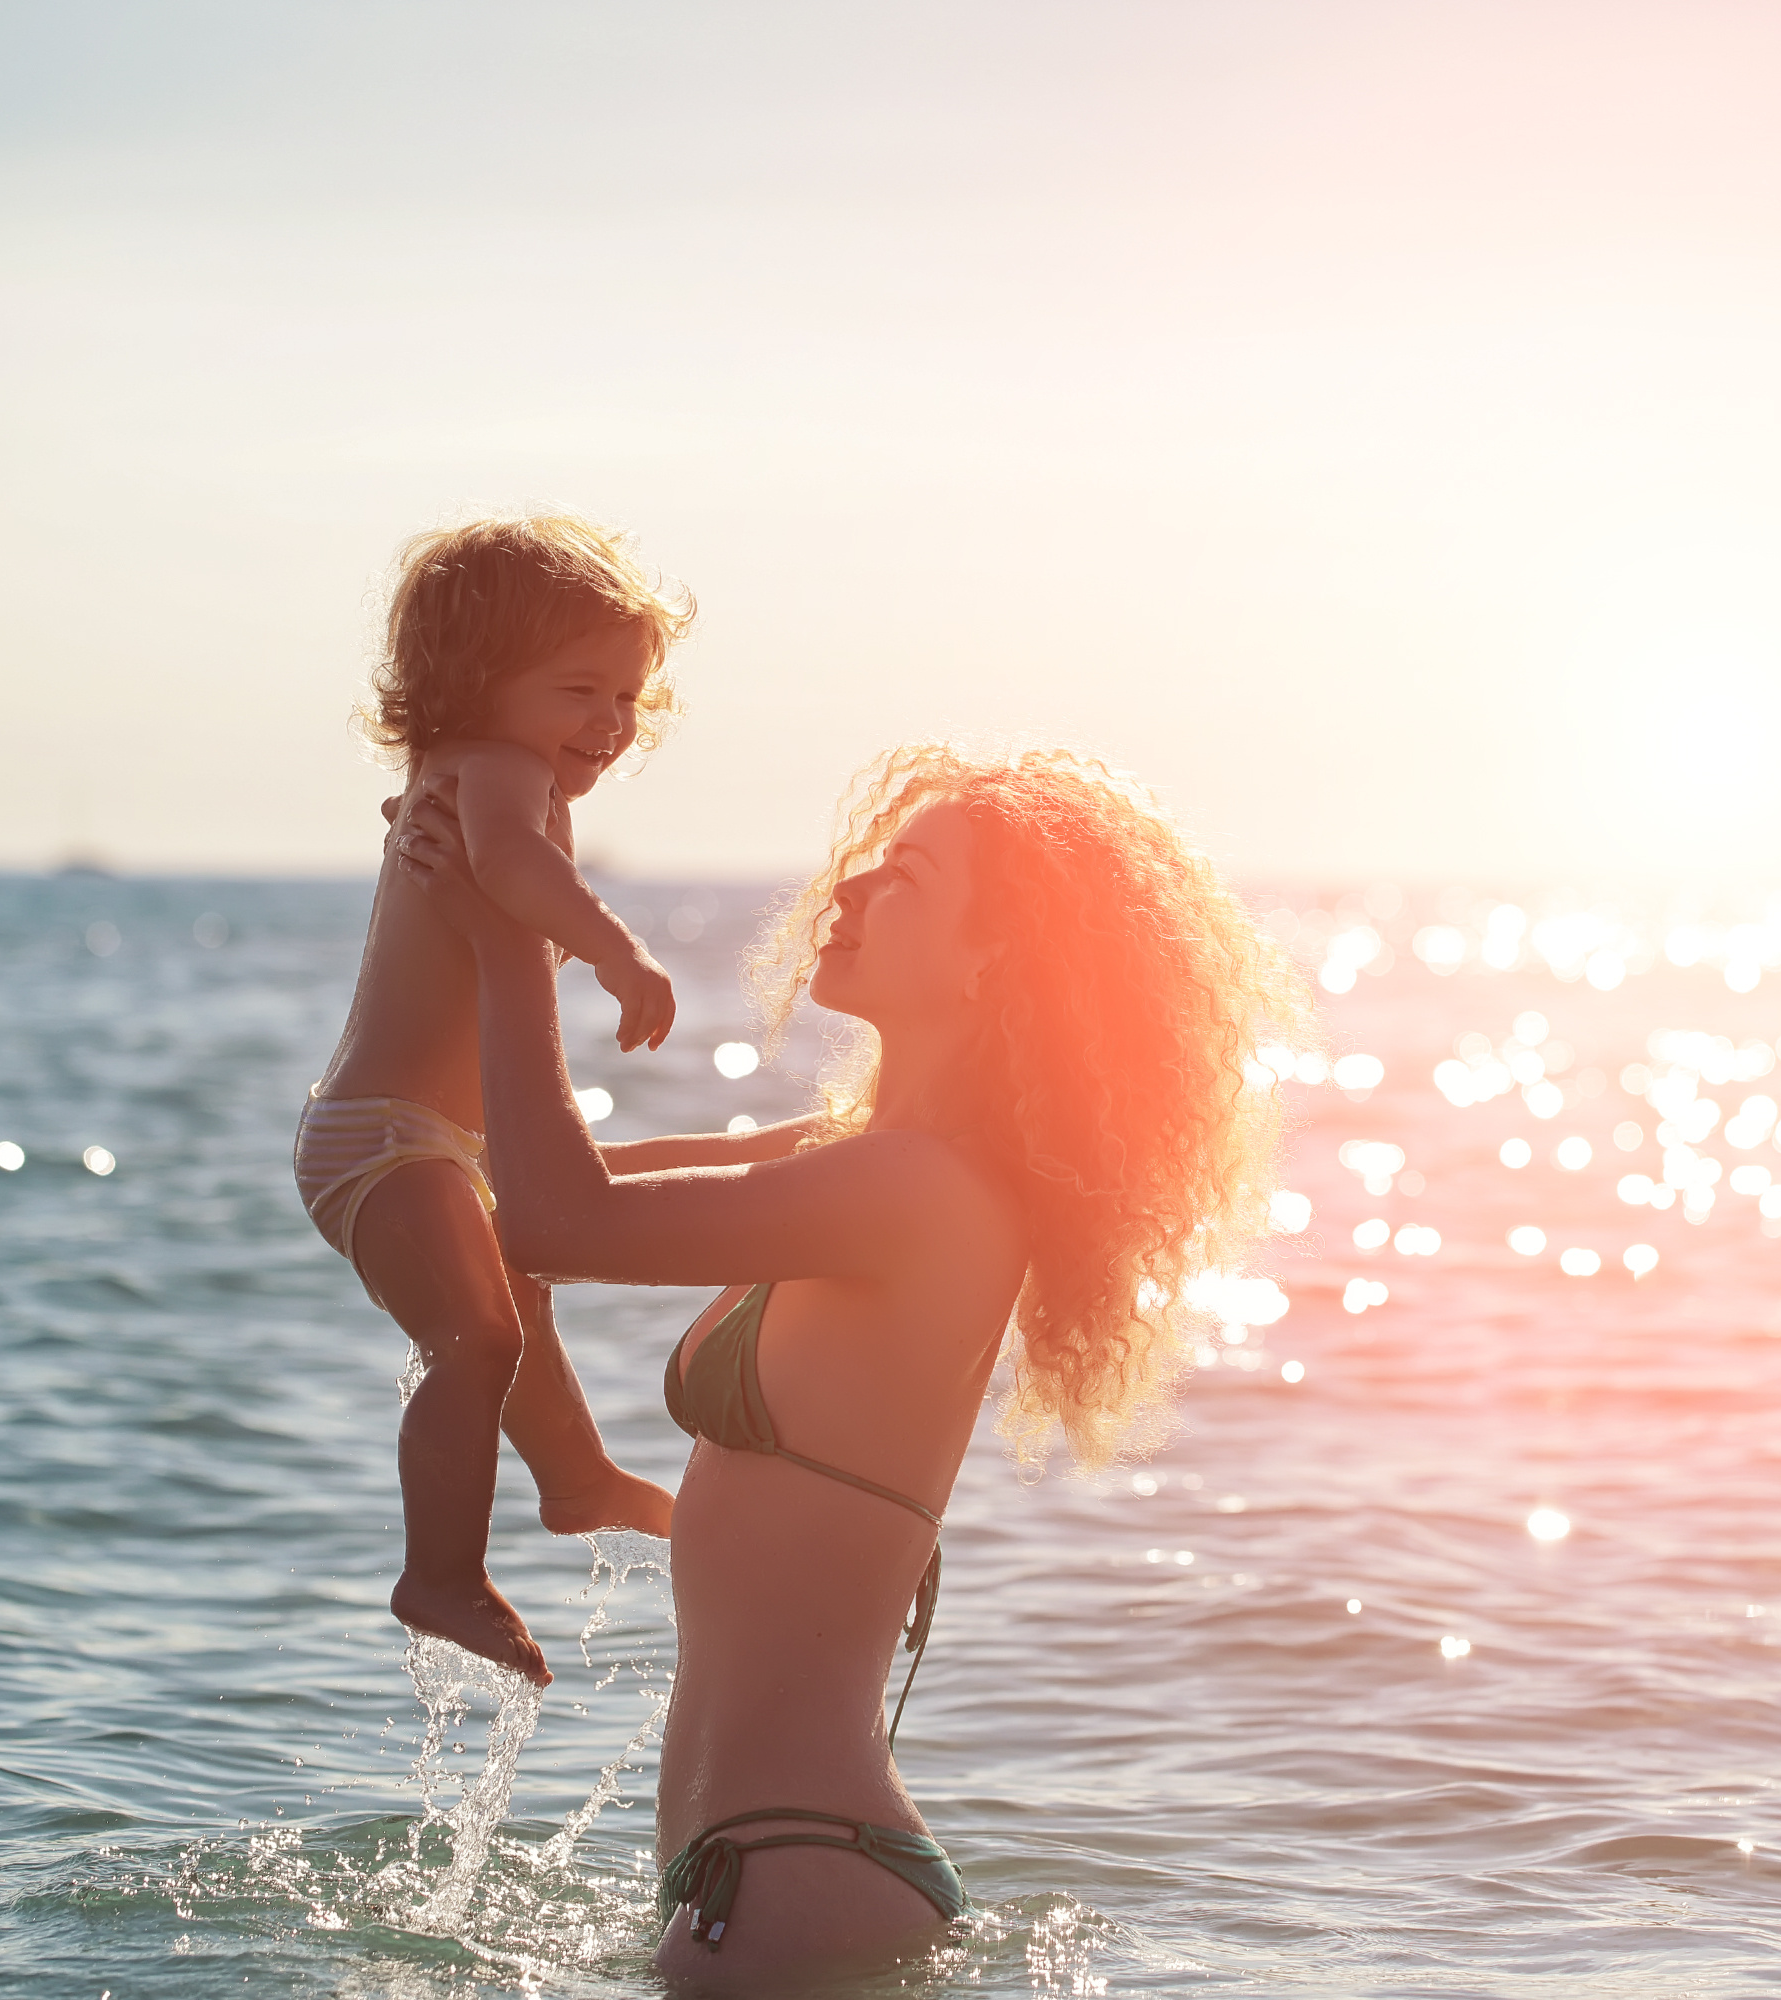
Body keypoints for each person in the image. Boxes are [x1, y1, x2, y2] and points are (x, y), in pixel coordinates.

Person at [389, 743, 1305, 1982]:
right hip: (753, 1872)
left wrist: (509, 936)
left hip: (801, 1872)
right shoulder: (852, 1151)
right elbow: (515, 1199)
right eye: (865, 865)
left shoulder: (922, 1192)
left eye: (906, 878)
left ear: (995, 960)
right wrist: (455, 909)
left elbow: (564, 1222)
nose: (853, 891)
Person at [294, 513, 688, 1684]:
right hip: (378, 1139)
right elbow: (521, 872)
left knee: (525, 1309)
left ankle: (573, 1479)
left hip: (440, 1141)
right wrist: (619, 951)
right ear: (477, 681)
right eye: (581, 690)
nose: (611, 726)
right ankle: (440, 1572)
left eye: (627, 698)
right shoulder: (500, 774)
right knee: (479, 1335)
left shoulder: (469, 773)